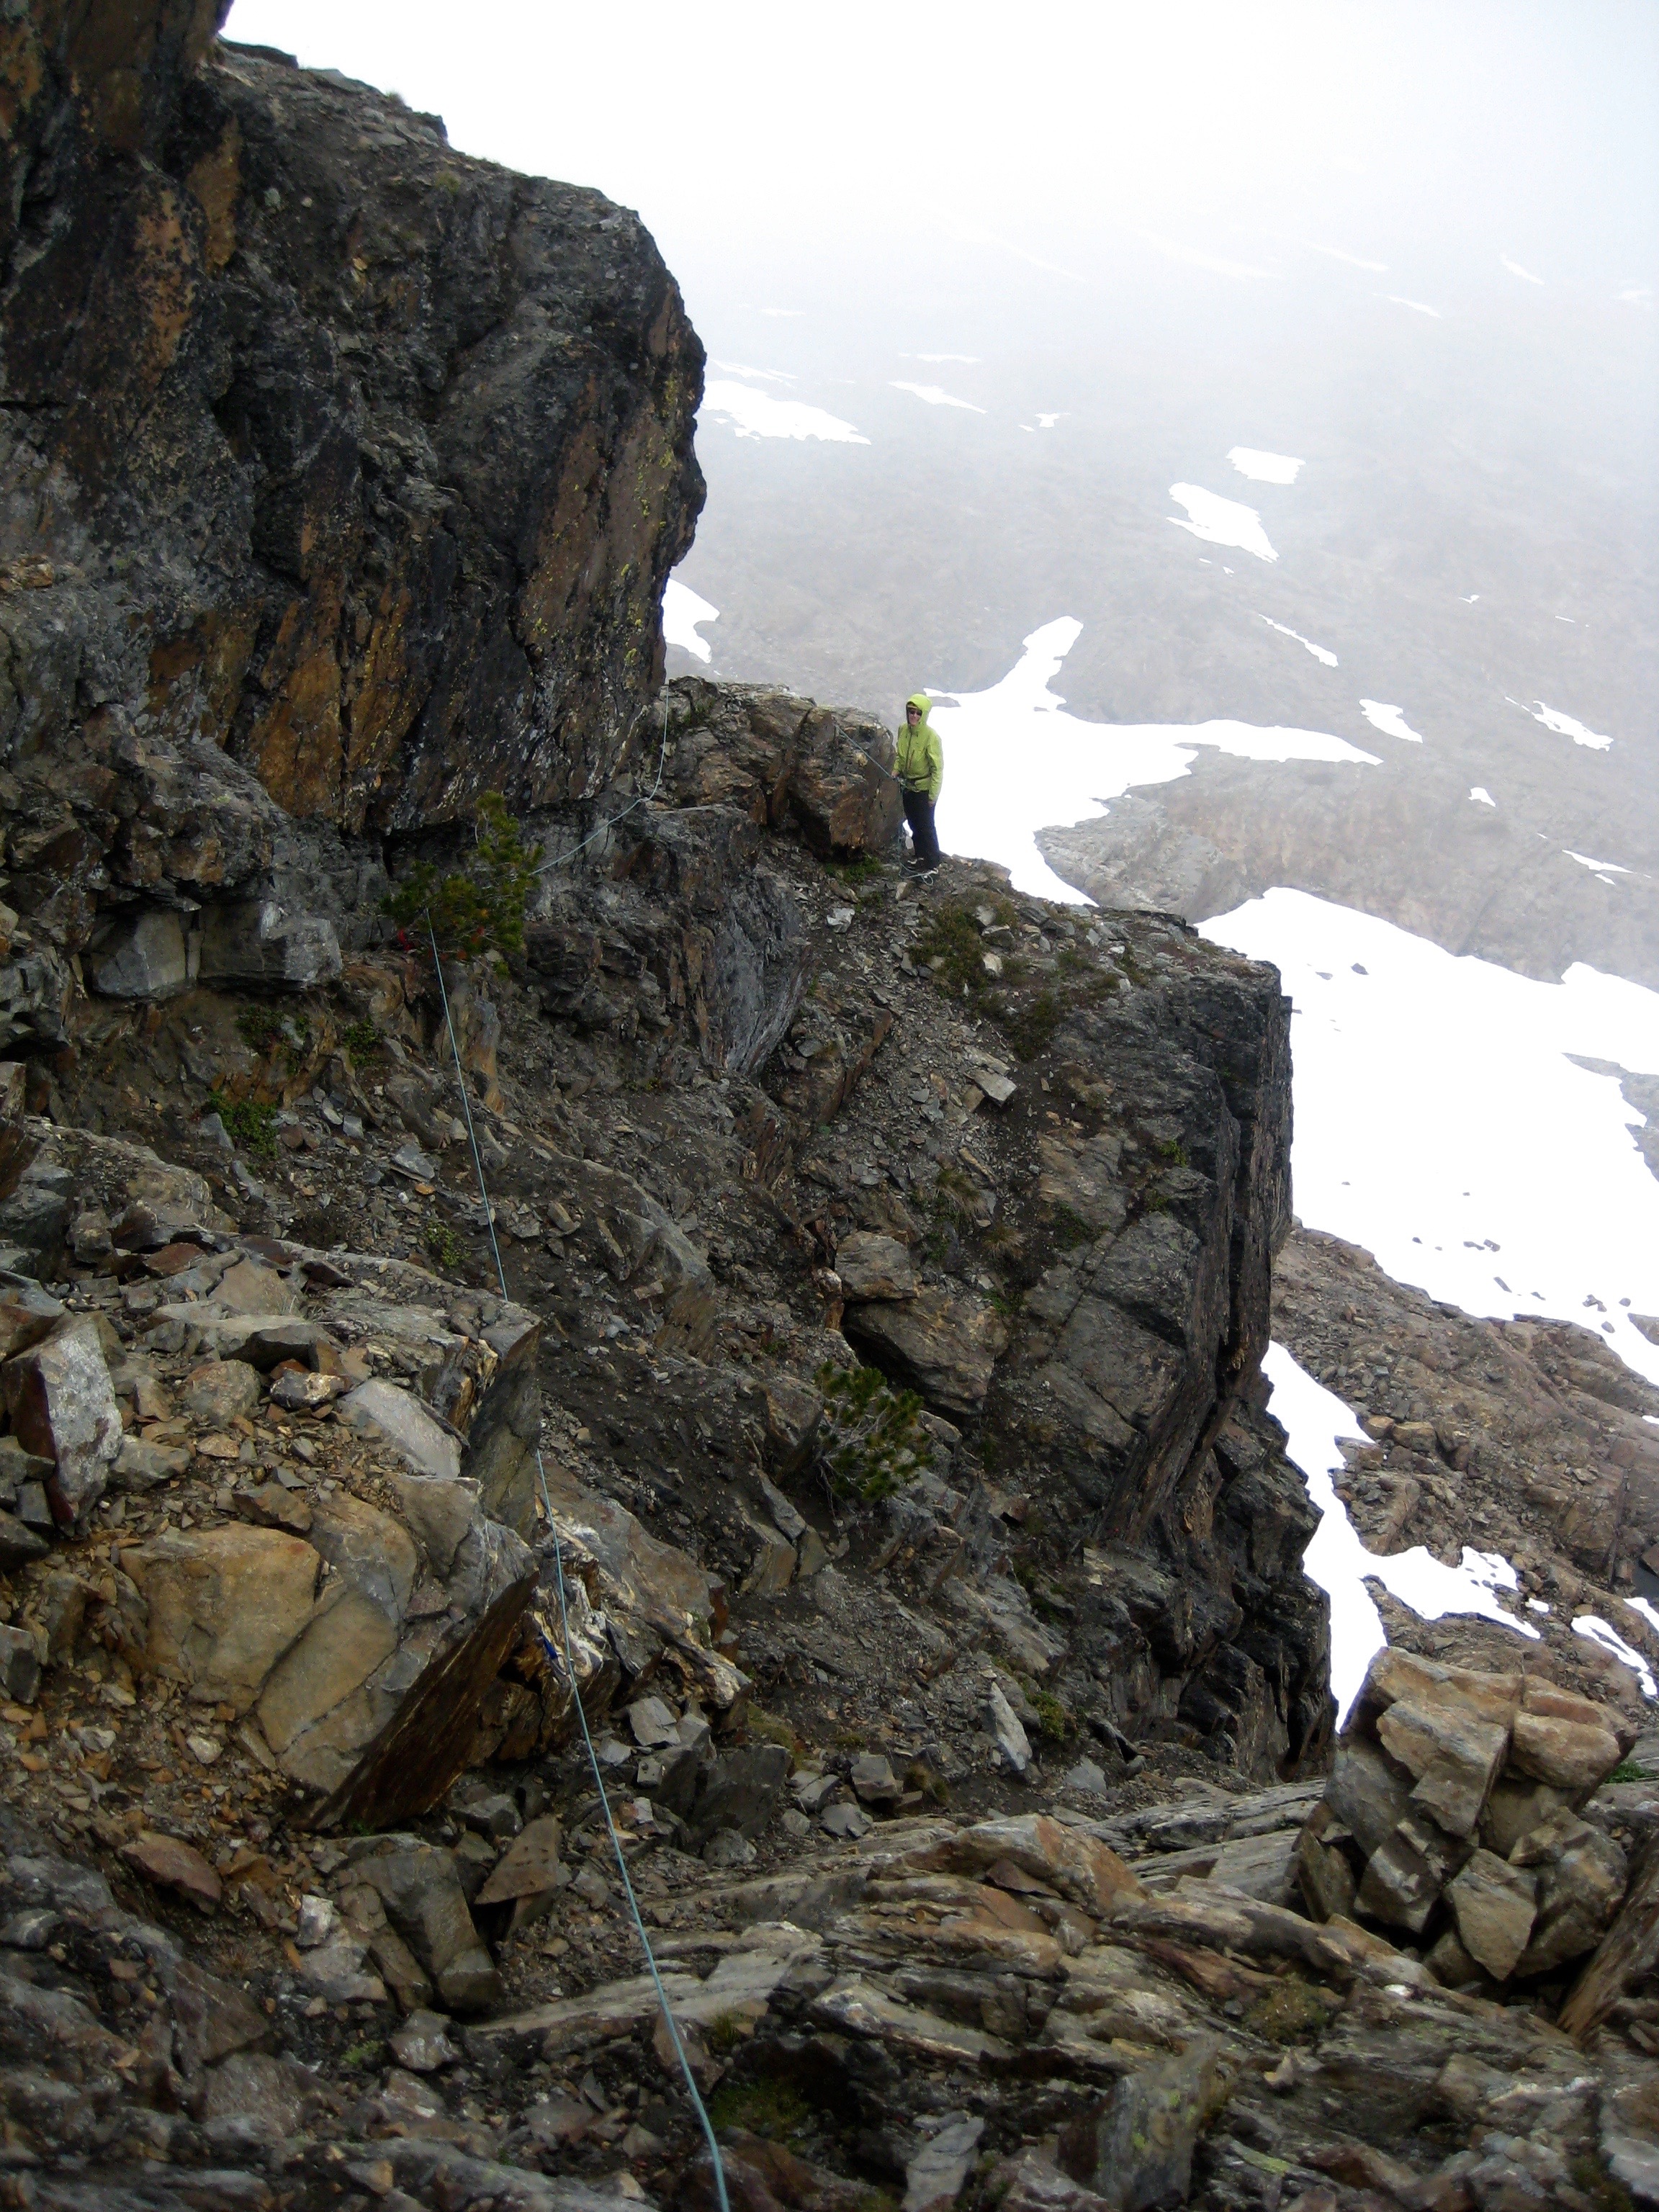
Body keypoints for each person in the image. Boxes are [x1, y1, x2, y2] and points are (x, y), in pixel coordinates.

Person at [896, 692, 943, 876]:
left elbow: (937, 769)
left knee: (926, 825)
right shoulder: (903, 730)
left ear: (924, 715)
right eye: (911, 711)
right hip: (908, 786)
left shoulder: (931, 737)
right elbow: (900, 756)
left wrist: (933, 795)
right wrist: (896, 769)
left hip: (923, 788)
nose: (914, 716)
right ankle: (921, 856)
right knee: (915, 824)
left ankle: (933, 864)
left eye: (918, 713)